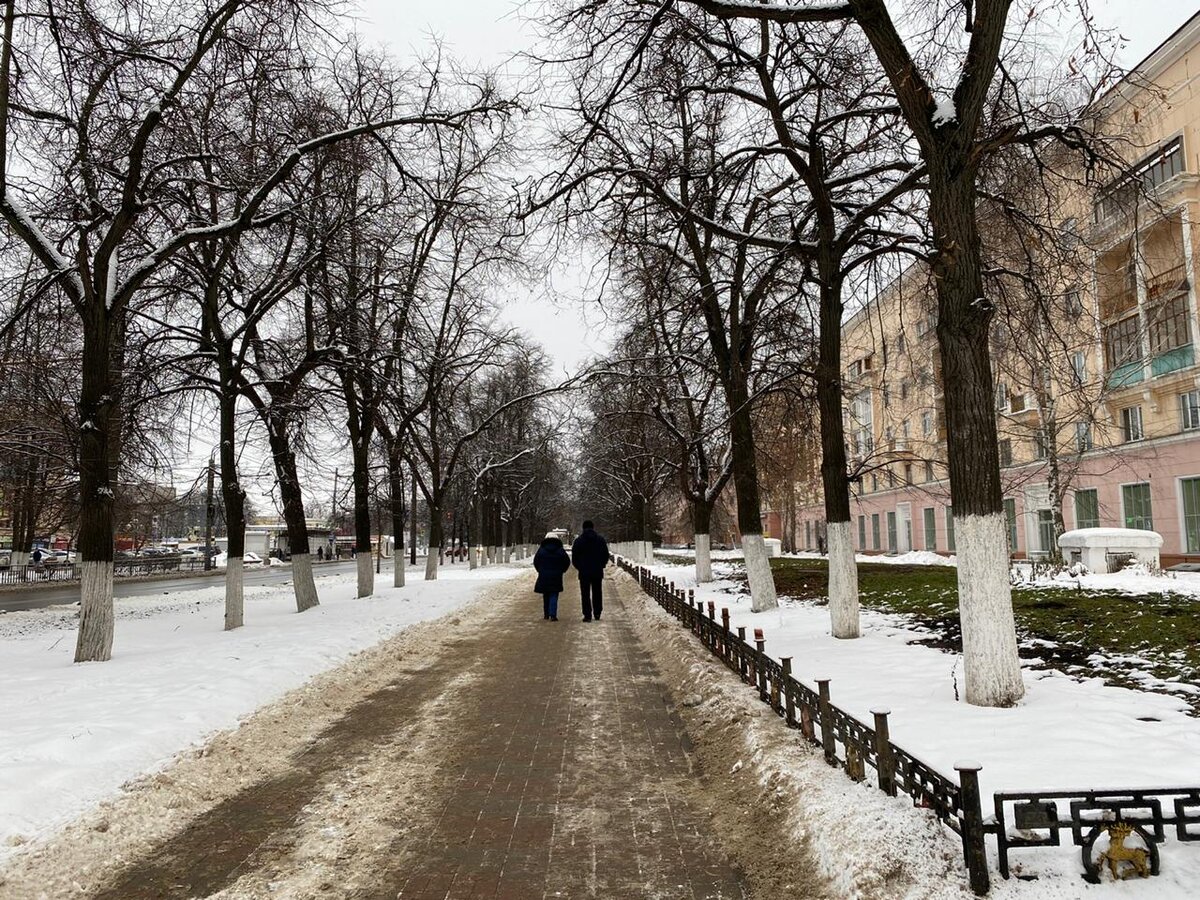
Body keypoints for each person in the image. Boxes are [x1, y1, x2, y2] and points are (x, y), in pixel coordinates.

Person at [571, 520, 610, 622]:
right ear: (593, 527)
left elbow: (574, 557)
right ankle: (597, 613)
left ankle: (587, 615)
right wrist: (601, 565)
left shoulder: (578, 541)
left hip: (584, 572)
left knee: (585, 594)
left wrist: (580, 567)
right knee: (597, 592)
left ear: (583, 528)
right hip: (597, 571)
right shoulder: (600, 540)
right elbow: (605, 555)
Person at [533, 532, 570, 621]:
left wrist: (540, 570)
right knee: (554, 594)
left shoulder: (541, 550)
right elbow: (567, 561)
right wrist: (562, 570)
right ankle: (553, 614)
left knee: (546, 594)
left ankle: (546, 614)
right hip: (556, 575)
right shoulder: (560, 550)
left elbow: (536, 561)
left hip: (544, 575)